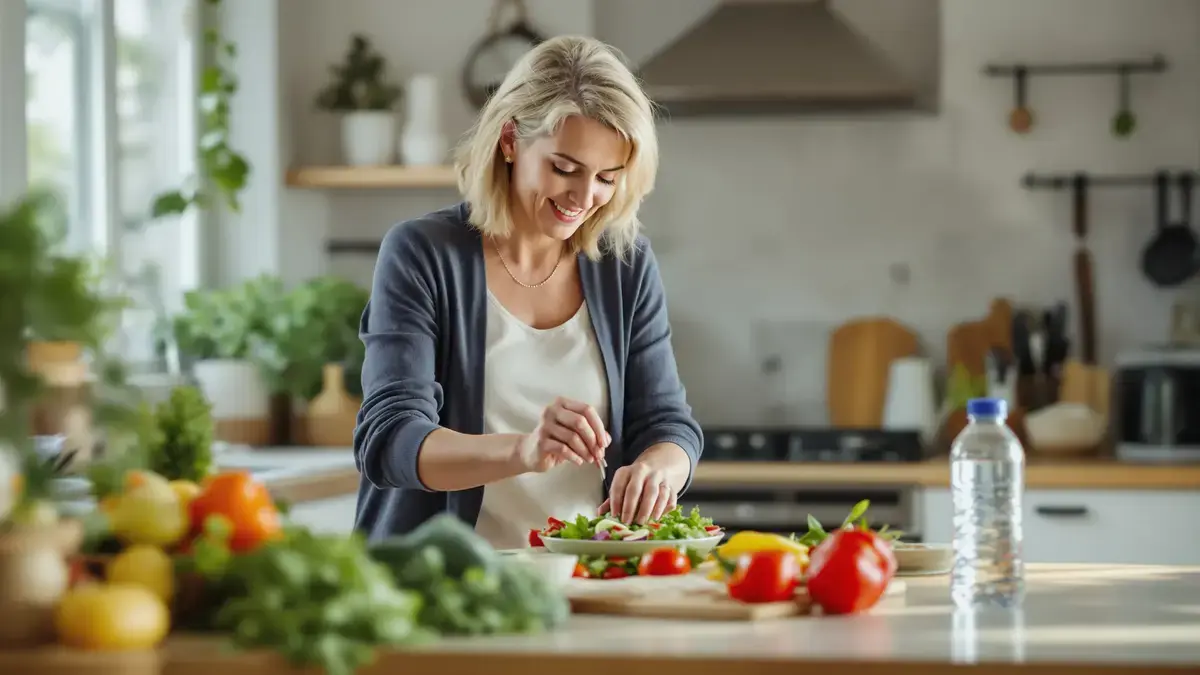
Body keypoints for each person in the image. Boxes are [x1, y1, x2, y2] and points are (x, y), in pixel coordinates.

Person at [352, 34, 702, 548]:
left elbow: (668, 425)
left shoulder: (623, 265)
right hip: (441, 588)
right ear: (511, 140)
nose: (585, 198)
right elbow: (392, 440)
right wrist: (524, 451)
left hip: (582, 583)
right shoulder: (422, 254)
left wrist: (657, 470)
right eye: (565, 168)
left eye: (607, 177)